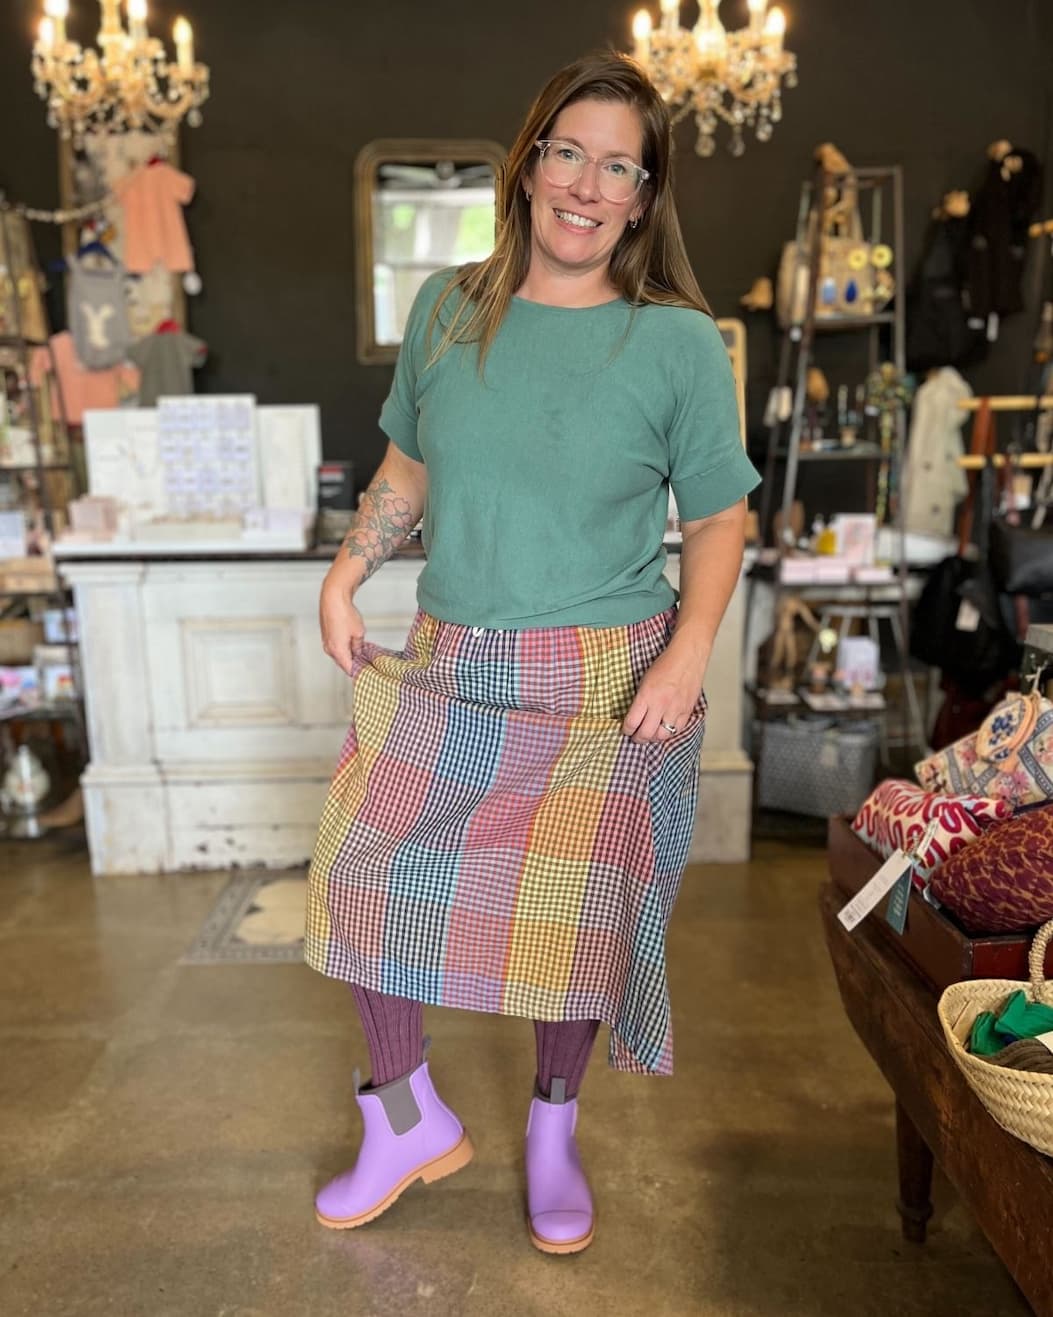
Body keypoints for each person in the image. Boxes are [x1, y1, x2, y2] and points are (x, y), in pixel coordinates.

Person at [305, 49, 760, 1255]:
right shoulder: (450, 307)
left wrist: (689, 651)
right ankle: (403, 1113)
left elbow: (720, 518)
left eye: (622, 165)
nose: (588, 183)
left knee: (579, 924)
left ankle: (554, 1128)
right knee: (358, 875)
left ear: (645, 195)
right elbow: (411, 464)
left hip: (608, 674)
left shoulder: (677, 344)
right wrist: (351, 567)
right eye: (570, 151)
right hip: (455, 656)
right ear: (529, 164)